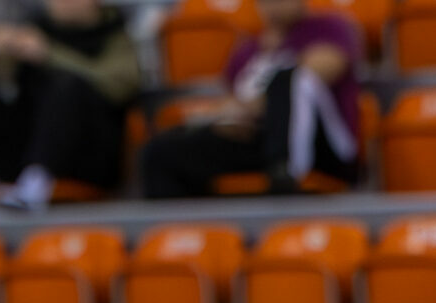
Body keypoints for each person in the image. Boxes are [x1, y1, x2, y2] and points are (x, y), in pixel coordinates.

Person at [141, 0, 363, 199]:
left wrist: (251, 107)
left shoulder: (328, 28)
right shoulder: (247, 50)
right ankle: (190, 233)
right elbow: (230, 101)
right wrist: (225, 120)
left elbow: (322, 69)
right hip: (257, 138)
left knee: (288, 79)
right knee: (162, 152)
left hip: (319, 145)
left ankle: (285, 169)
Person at [0, 0, 141, 213]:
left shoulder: (115, 34)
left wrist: (49, 54)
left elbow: (122, 84)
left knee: (65, 86)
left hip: (87, 153)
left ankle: (34, 187)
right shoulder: (34, 29)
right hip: (26, 147)